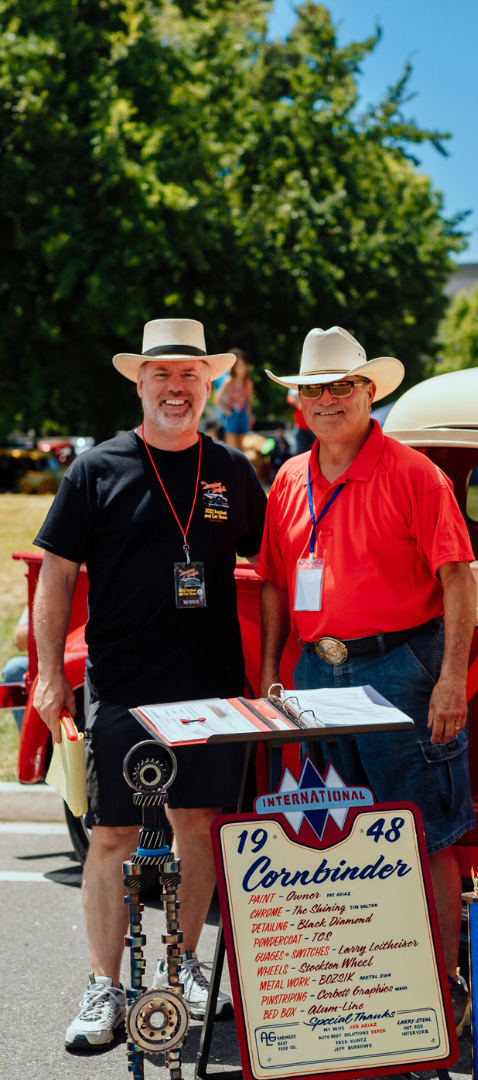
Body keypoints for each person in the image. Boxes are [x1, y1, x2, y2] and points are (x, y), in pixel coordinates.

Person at [32, 318, 268, 1051]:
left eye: (190, 376)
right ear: (139, 383)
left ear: (209, 385)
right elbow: (56, 575)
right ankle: (105, 987)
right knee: (113, 834)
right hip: (124, 683)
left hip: (212, 685)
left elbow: (268, 573)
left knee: (198, 825)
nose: (176, 388)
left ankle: (183, 964)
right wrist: (47, 673)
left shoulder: (232, 470)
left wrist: (265, 675)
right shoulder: (95, 469)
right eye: (162, 376)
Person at [256, 326, 477, 1032]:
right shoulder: (289, 479)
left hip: (401, 667)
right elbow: (271, 583)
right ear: (299, 403)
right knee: (334, 837)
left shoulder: (415, 474)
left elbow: (457, 580)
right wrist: (270, 667)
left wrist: (450, 680)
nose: (326, 400)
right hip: (314, 673)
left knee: (424, 833)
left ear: (369, 391)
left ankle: (445, 990)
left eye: (340, 387)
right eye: (312, 390)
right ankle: (364, 994)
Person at [214, 347, 254, 449]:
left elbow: (249, 402)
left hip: (242, 415)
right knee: (232, 449)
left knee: (241, 451)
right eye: (239, 365)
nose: (242, 368)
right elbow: (216, 400)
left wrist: (249, 416)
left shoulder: (248, 383)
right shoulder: (228, 381)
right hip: (231, 415)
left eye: (244, 365)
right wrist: (226, 411)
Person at [2, 606, 29, 729]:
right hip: (45, 665)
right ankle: (29, 736)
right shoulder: (49, 589)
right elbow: (20, 639)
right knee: (14, 669)